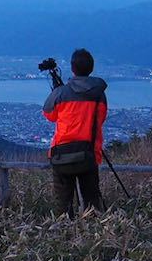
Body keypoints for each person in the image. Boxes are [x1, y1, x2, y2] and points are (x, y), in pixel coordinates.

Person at [42, 48, 108, 215]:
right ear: (91, 68)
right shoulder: (98, 95)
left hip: (61, 155)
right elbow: (101, 118)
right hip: (88, 153)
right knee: (92, 201)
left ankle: (65, 233)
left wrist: (58, 92)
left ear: (72, 68)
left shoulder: (61, 93)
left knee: (63, 204)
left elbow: (49, 115)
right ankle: (93, 233)